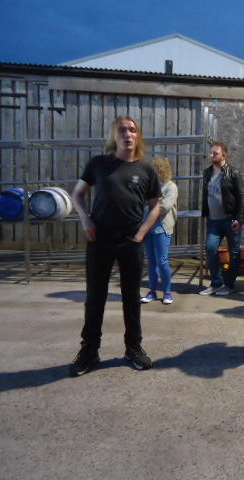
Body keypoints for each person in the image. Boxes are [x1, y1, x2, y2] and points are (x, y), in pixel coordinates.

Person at [69, 116, 161, 376]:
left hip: (131, 240)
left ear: (137, 136)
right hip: (100, 239)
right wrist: (85, 218)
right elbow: (77, 194)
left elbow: (156, 206)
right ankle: (89, 350)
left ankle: (133, 348)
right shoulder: (99, 164)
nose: (127, 134)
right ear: (114, 135)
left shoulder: (147, 169)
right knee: (95, 297)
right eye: (122, 130)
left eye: (132, 130)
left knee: (131, 297)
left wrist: (141, 233)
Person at [199, 141, 244, 296]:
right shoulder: (207, 172)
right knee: (210, 249)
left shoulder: (233, 172)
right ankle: (216, 282)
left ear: (224, 155)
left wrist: (240, 218)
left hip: (231, 220)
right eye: (211, 153)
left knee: (234, 253)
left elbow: (241, 195)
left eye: (215, 153)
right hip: (213, 221)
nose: (211, 155)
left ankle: (229, 285)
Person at [140, 157, 178, 305]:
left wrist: (150, 207)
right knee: (151, 261)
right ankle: (152, 292)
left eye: (152, 170)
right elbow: (140, 203)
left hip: (162, 228)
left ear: (160, 170)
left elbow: (164, 207)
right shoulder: (148, 186)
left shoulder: (171, 187)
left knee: (162, 261)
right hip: (147, 228)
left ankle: (167, 292)